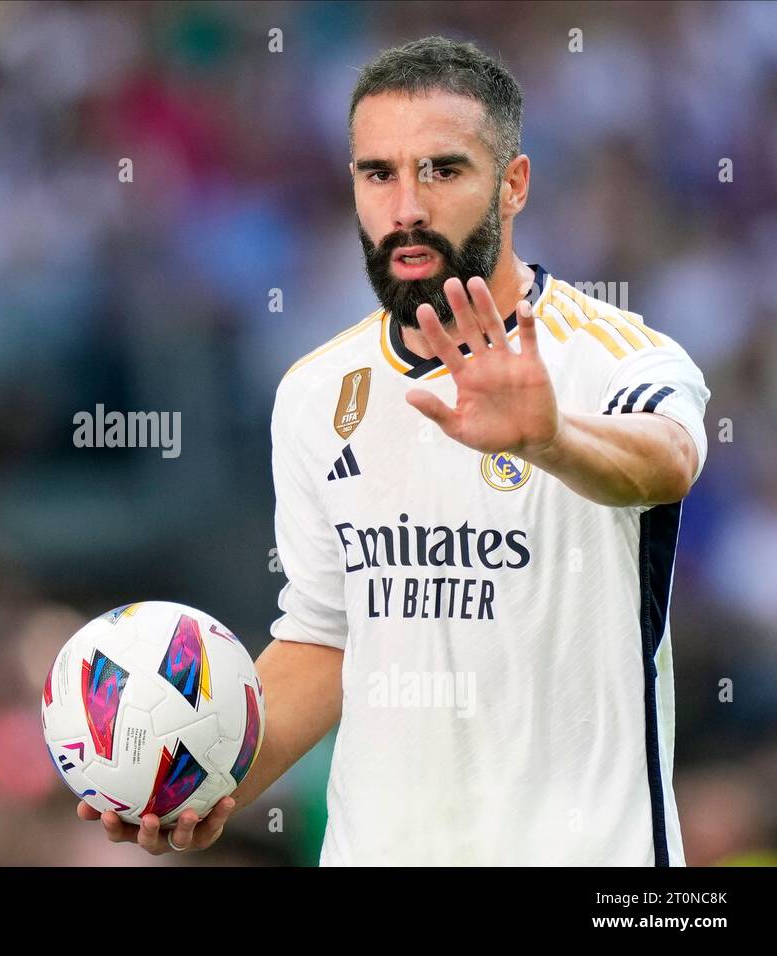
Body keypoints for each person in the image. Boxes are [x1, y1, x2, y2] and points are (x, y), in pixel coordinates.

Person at [79, 35, 709, 864]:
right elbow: (323, 637)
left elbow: (666, 461)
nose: (405, 206)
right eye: (379, 173)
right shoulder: (313, 393)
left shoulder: (619, 355)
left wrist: (552, 437)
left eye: (442, 170)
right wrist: (210, 787)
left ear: (513, 185)